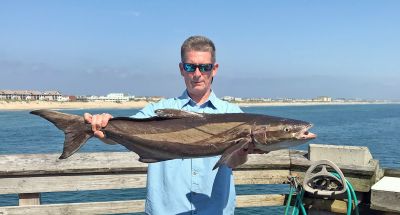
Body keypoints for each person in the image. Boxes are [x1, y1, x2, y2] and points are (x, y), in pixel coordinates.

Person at [84, 35, 242, 214]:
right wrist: (104, 125)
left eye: (204, 67)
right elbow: (122, 134)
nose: (197, 74)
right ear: (181, 69)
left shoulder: (234, 114)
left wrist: (242, 152)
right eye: (190, 67)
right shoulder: (157, 110)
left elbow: (237, 160)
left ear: (214, 69)